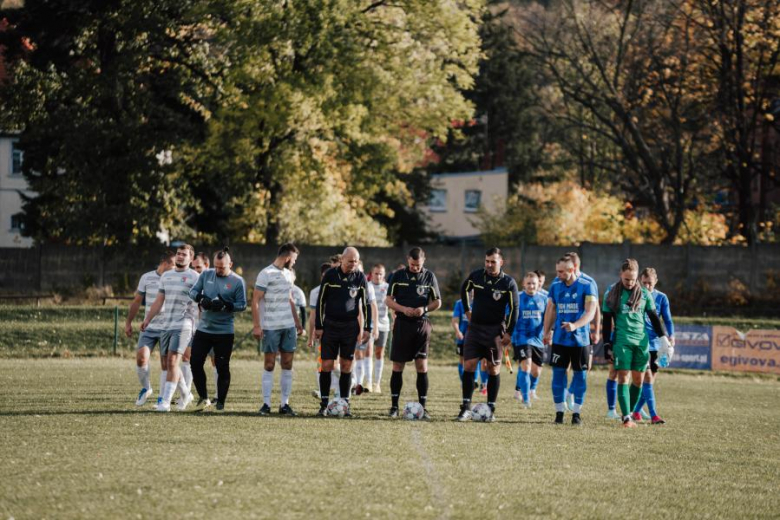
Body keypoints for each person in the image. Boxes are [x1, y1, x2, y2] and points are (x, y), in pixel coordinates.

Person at [601, 259, 672, 428]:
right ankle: (626, 418)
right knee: (623, 376)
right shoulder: (611, 293)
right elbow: (606, 322)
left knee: (639, 380)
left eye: (633, 279)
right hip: (622, 341)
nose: (630, 283)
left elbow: (655, 318)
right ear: (621, 275)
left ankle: (630, 414)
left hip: (641, 342)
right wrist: (606, 345)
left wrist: (664, 339)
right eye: (626, 279)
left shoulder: (645, 294)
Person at [456, 247, 519, 422]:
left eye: (493, 261)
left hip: (495, 331)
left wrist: (509, 332)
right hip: (475, 328)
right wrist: (467, 309)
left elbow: (515, 309)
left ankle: (491, 408)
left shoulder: (508, 283)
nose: (489, 265)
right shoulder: (476, 276)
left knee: (493, 368)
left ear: (501, 262)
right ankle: (466, 408)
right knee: (468, 365)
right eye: (487, 261)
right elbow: (464, 289)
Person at [385, 247, 442, 419]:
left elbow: (437, 302)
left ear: (423, 261)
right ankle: (394, 407)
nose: (415, 268)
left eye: (418, 265)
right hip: (402, 324)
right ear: (408, 260)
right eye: (412, 264)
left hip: (421, 325)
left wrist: (423, 308)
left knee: (422, 366)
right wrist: (403, 309)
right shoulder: (398, 276)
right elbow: (388, 300)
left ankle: (422, 407)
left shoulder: (429, 276)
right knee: (397, 366)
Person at [141, 244, 199, 412]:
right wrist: (147, 320)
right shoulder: (166, 276)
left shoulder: (195, 277)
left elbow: (201, 303)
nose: (180, 256)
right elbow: (159, 301)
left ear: (190, 258)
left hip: (184, 325)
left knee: (173, 361)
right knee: (168, 364)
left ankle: (165, 402)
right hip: (166, 325)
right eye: (178, 254)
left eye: (184, 254)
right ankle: (186, 394)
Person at [315, 247, 372, 417]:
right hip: (330, 326)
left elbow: (367, 304)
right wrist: (319, 326)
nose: (352, 265)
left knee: (347, 366)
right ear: (342, 260)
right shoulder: (330, 275)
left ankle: (345, 403)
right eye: (350, 261)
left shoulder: (360, 277)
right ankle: (324, 404)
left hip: (350, 327)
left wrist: (367, 328)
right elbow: (320, 302)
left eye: (355, 262)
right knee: (326, 365)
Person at [188, 247, 247, 411]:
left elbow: (242, 305)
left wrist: (228, 305)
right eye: (216, 266)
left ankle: (220, 400)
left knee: (222, 366)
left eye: (222, 267)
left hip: (224, 332)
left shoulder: (237, 281)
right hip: (204, 329)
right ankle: (203, 396)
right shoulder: (206, 275)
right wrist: (201, 299)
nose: (219, 270)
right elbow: (191, 292)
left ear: (231, 264)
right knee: (195, 362)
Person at [543, 255, 598, 425]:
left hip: (580, 340)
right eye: (557, 271)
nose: (558, 274)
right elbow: (551, 309)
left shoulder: (586, 285)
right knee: (558, 375)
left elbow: (591, 312)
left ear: (572, 269)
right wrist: (547, 331)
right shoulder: (556, 285)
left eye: (561, 271)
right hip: (560, 340)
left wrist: (575, 325)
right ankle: (559, 413)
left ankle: (576, 413)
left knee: (580, 376)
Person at [251, 243, 304, 416]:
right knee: (269, 364)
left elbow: (289, 298)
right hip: (271, 326)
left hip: (288, 326)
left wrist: (297, 322)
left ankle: (284, 404)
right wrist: (257, 326)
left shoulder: (289, 274)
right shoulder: (265, 274)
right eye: (294, 260)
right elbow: (255, 301)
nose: (294, 263)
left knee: (287, 364)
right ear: (288, 257)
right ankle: (266, 404)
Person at [125, 250, 174, 405]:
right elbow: (137, 301)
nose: (176, 267)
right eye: (174, 264)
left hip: (167, 327)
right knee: (141, 358)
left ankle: (162, 398)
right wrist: (128, 322)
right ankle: (147, 388)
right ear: (165, 263)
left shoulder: (174, 278)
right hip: (149, 327)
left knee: (166, 365)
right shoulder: (146, 277)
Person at [630, 267, 675, 424]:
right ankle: (654, 416)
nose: (647, 286)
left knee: (649, 381)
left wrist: (671, 335)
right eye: (644, 283)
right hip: (641, 343)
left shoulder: (662, 298)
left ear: (656, 281)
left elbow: (667, 319)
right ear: (639, 282)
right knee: (647, 378)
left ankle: (635, 411)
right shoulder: (635, 296)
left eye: (650, 283)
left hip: (657, 344)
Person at [560, 252, 600, 411]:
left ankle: (570, 392)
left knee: (585, 367)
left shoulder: (589, 282)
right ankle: (562, 398)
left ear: (575, 266)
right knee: (564, 367)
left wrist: (596, 330)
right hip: (564, 333)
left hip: (582, 335)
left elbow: (595, 309)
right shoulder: (559, 281)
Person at [512, 272, 547, 407]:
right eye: (528, 283)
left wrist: (549, 332)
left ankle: (530, 390)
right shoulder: (518, 298)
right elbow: (510, 318)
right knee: (526, 365)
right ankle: (525, 399)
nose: (531, 286)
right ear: (523, 284)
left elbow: (548, 317)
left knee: (536, 371)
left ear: (539, 284)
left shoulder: (544, 298)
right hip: (521, 338)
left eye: (534, 283)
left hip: (538, 339)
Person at [307, 262, 339, 400]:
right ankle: (322, 391)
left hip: (338, 330)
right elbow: (313, 315)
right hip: (322, 332)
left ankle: (342, 389)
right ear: (321, 277)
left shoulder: (338, 289)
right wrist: (310, 335)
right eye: (324, 276)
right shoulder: (315, 292)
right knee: (321, 362)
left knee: (336, 362)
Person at [353, 261, 378, 395]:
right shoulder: (348, 285)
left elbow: (372, 306)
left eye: (360, 271)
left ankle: (368, 382)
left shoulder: (368, 286)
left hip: (366, 325)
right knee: (355, 355)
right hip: (352, 325)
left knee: (368, 352)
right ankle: (356, 383)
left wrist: (374, 326)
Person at [370, 264, 391, 393]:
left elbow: (393, 306)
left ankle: (377, 382)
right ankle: (365, 381)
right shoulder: (367, 286)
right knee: (365, 353)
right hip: (369, 325)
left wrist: (395, 320)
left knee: (379, 353)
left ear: (384, 275)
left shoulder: (388, 288)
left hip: (384, 324)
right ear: (371, 274)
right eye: (376, 273)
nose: (378, 276)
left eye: (381, 274)